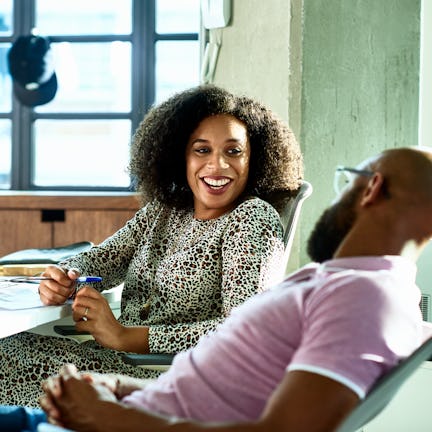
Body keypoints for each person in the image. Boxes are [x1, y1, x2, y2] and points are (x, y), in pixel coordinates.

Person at [1, 146, 431, 432]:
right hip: (133, 397)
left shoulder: (366, 297)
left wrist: (108, 415)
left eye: (349, 179)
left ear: (372, 188)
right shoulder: (337, 282)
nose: (217, 164)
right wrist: (117, 389)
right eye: (201, 150)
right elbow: (225, 385)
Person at [0, 85, 304, 407]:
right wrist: (67, 276)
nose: (217, 166)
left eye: (233, 151)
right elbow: (105, 258)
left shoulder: (253, 219)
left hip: (172, 382)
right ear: (180, 155)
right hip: (119, 362)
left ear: (253, 158)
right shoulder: (167, 208)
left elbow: (245, 332)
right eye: (202, 150)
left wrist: (123, 336)